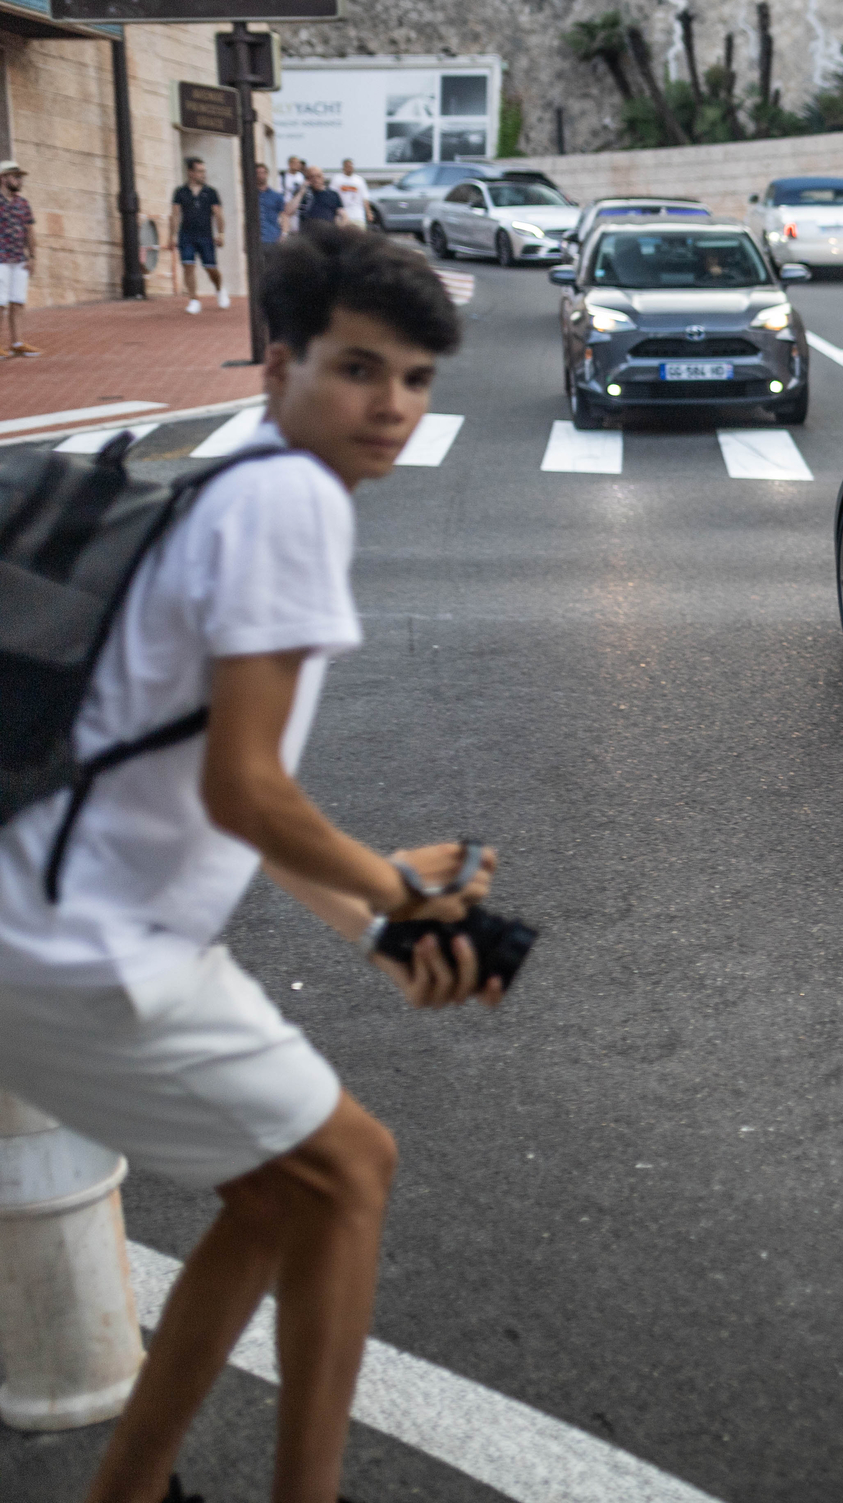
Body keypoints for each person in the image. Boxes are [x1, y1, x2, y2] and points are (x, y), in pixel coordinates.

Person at [0, 228, 495, 1503]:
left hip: (56, 919)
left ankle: (133, 1491)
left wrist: (381, 917)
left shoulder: (231, 487)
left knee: (278, 1196)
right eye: (359, 370)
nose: (390, 407)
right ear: (278, 365)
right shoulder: (291, 502)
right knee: (348, 1171)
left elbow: (207, 778)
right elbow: (249, 790)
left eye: (416, 379)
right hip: (89, 946)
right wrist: (409, 904)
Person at [168, 158, 227, 315]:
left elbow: (218, 214)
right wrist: (172, 236)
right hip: (186, 235)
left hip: (206, 236)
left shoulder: (211, 192)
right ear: (191, 173)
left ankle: (220, 289)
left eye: (204, 171)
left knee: (210, 268)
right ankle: (194, 300)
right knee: (188, 266)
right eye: (200, 171)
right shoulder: (180, 192)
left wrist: (220, 234)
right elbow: (174, 215)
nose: (203, 174)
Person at [0, 159, 34, 357]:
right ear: (3, 178)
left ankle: (17, 342)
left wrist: (33, 256)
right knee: (0, 302)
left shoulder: (22, 203)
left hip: (19, 258)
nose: (20, 180)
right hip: (1, 259)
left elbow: (30, 230)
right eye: (16, 176)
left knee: (18, 300)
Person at [286, 164, 344, 235]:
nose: (315, 179)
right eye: (312, 177)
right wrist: (301, 192)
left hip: (328, 235)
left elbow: (342, 214)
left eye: (318, 176)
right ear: (307, 179)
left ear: (323, 178)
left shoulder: (332, 194)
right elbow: (288, 211)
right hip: (308, 236)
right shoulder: (303, 194)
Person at [331, 158, 372, 231]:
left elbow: (365, 198)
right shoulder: (337, 179)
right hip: (343, 216)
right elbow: (331, 196)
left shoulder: (359, 180)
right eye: (347, 166)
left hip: (358, 215)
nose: (349, 168)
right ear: (343, 167)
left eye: (351, 166)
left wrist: (368, 213)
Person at [255, 162, 287, 246]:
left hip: (272, 237)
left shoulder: (276, 196)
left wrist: (283, 234)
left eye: (263, 173)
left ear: (267, 174)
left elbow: (284, 215)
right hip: (255, 239)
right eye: (258, 173)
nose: (260, 176)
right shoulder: (250, 197)